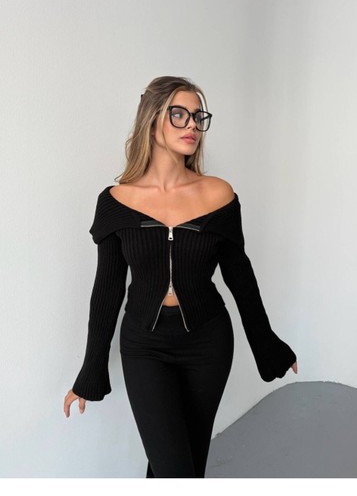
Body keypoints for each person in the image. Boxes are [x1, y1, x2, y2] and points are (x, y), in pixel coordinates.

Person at [64, 76, 298, 478]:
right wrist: (91, 369)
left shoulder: (218, 194)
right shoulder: (116, 202)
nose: (192, 124)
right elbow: (107, 291)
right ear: (152, 119)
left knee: (183, 464)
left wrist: (268, 344)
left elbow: (240, 276)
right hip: (145, 346)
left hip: (208, 343)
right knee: (176, 469)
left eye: (197, 116)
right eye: (179, 114)